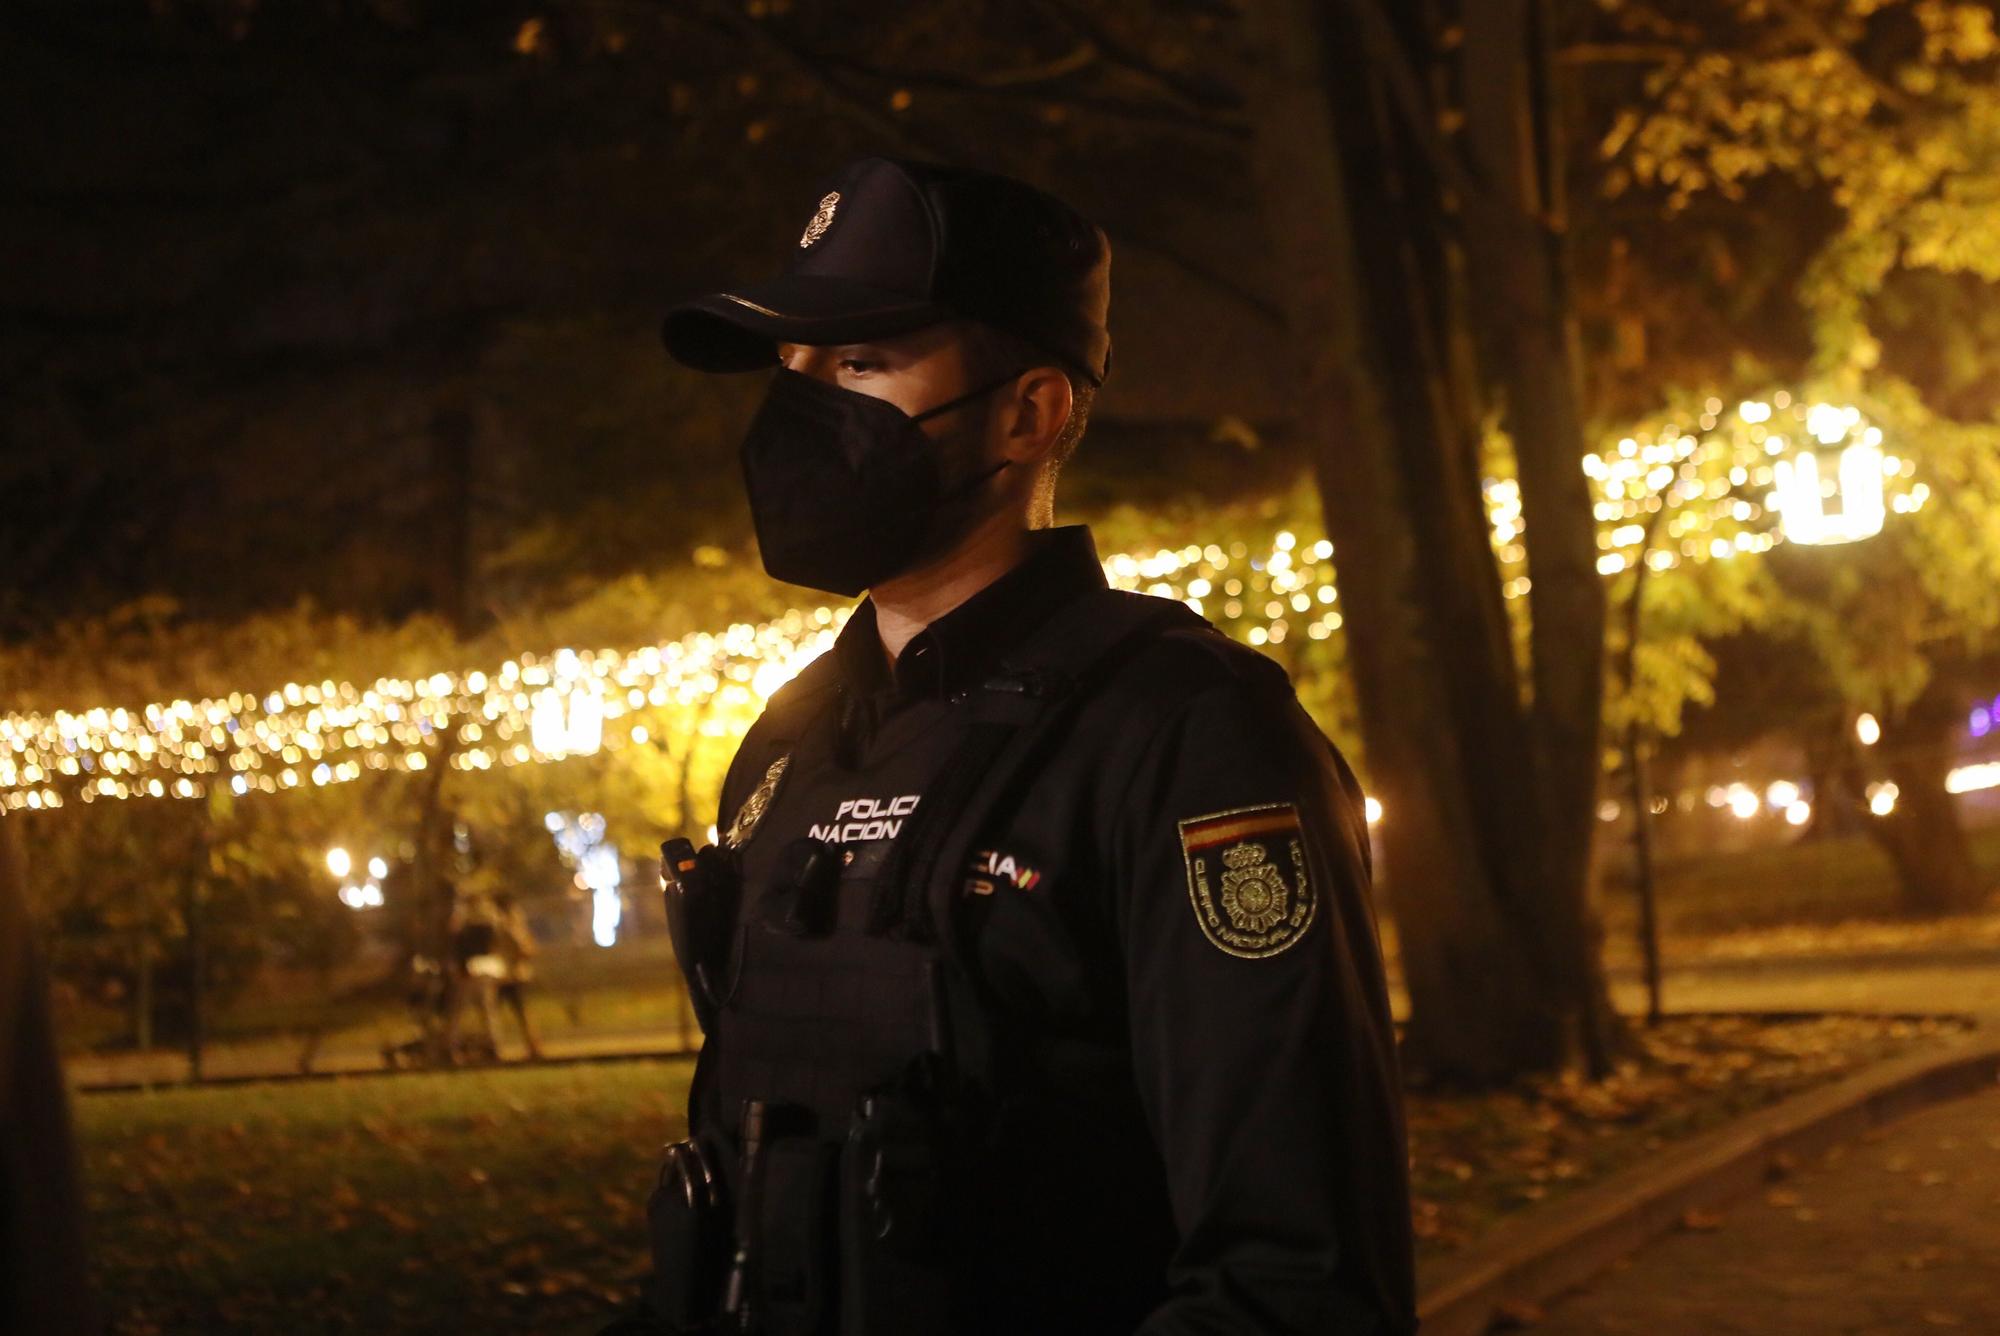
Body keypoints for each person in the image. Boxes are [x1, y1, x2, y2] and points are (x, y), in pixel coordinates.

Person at [610, 157, 1415, 1335]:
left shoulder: (1189, 739)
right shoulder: (788, 746)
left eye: (859, 364)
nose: (800, 410)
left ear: (1028, 410)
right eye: (790, 368)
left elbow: (1295, 1277)